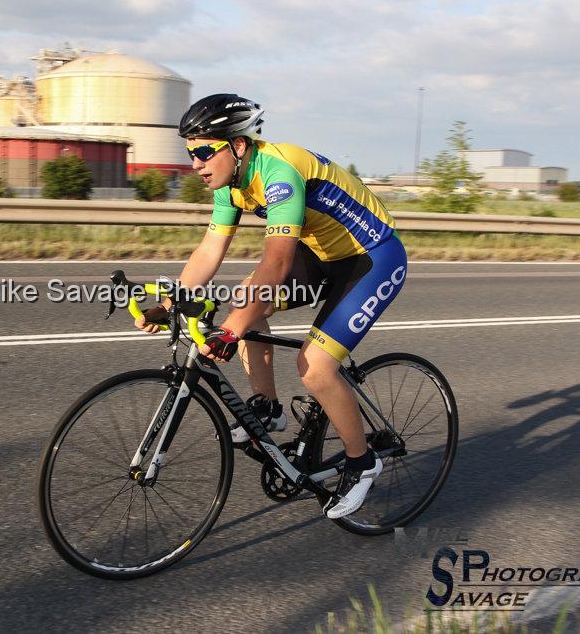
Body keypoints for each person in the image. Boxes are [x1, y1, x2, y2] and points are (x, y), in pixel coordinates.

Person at [135, 93, 408, 519]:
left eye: (205, 151)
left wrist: (232, 328)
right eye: (191, 153)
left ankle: (361, 462)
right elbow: (209, 251)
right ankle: (268, 407)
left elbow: (278, 261)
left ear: (237, 146)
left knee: (314, 366)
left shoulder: (278, 171)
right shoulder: (230, 185)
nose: (196, 164)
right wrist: (170, 302)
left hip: (372, 257)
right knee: (247, 299)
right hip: (321, 255)